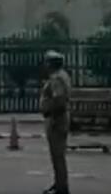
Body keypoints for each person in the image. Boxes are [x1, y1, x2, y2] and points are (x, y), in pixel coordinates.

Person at [40, 50, 72, 194]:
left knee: (57, 156)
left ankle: (61, 187)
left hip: (56, 119)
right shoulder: (62, 75)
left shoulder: (57, 78)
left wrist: (51, 113)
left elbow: (59, 99)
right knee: (58, 155)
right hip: (59, 118)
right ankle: (59, 183)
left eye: (47, 62)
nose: (45, 65)